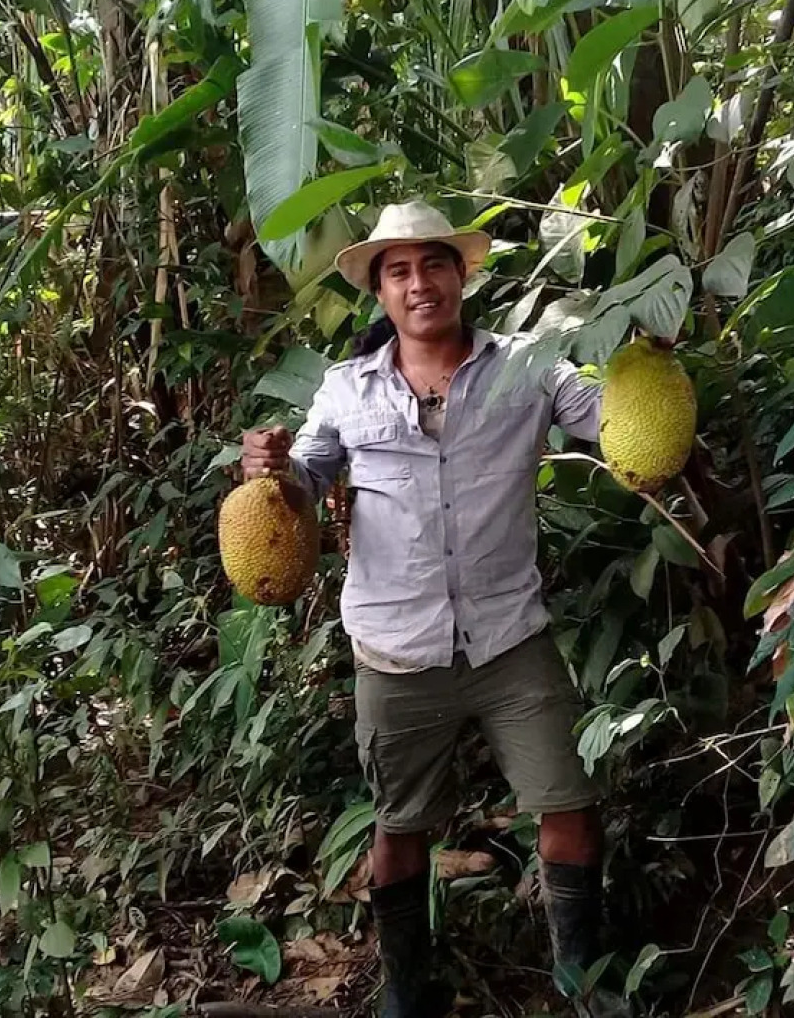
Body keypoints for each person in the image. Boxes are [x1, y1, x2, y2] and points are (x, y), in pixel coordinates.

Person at [240, 201, 626, 1018]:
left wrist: (643, 355)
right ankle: (408, 989)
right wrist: (268, 472)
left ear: (462, 274)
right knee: (399, 827)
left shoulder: (528, 368)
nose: (420, 284)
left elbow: (616, 426)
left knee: (569, 809)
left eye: (435, 264)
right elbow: (305, 483)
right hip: (396, 650)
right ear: (380, 290)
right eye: (399, 270)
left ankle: (580, 979)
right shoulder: (345, 390)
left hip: (509, 640)